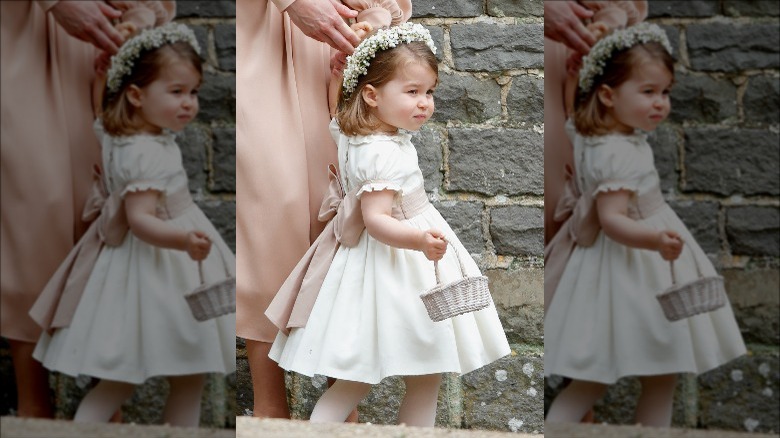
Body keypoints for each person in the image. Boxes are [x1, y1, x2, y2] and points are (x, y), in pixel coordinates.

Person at [264, 23, 511, 426]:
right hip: (396, 265)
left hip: (364, 263)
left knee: (400, 372)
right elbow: (376, 220)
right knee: (410, 371)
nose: (424, 103)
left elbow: (338, 107)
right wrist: (420, 241)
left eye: (429, 92)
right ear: (373, 96)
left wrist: (338, 80)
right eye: (411, 92)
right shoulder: (384, 155)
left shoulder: (354, 133)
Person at [29, 23, 236, 426]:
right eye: (175, 92)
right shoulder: (147, 154)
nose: (189, 104)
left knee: (138, 377)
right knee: (177, 371)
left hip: (127, 265)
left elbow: (101, 114)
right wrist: (183, 240)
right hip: (158, 265)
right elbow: (140, 220)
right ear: (137, 96)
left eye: (192, 92)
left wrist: (104, 79)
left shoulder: (119, 135)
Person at [544, 23, 746, 426]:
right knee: (631, 377)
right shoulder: (620, 153)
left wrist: (575, 79)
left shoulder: (593, 134)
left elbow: (575, 116)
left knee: (641, 375)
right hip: (633, 267)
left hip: (612, 267)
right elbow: (612, 219)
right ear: (608, 95)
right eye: (648, 92)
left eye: (665, 92)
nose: (660, 104)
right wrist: (656, 239)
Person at [235, 0, 410, 418]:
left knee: (348, 212)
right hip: (262, 34)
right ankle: (269, 409)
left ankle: (341, 410)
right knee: (268, 213)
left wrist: (380, 17)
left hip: (349, 39)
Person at [1, 0, 173, 418]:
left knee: (112, 215)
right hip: (22, 34)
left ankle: (106, 405)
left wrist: (142, 19)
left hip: (113, 45)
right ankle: (33, 405)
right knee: (32, 215)